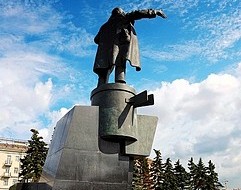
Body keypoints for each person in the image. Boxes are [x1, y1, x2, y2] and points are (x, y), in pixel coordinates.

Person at [93, 7, 167, 87]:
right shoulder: (123, 18)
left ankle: (101, 86)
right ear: (120, 13)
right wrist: (155, 12)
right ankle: (120, 81)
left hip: (104, 55)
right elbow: (138, 13)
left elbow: (96, 39)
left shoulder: (104, 27)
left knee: (104, 71)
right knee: (120, 62)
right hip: (118, 47)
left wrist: (106, 41)